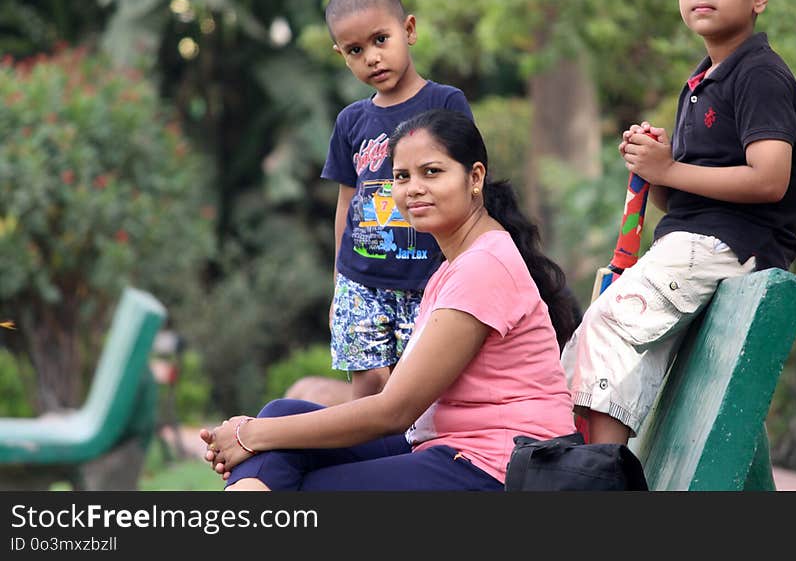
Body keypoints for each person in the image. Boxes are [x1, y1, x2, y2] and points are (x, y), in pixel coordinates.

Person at [200, 109, 578, 490]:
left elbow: (394, 410)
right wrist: (260, 432)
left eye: (432, 172)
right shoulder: (458, 262)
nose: (413, 188)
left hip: (498, 465)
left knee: (301, 474)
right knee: (284, 415)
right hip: (449, 446)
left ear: (474, 177)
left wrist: (252, 434)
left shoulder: (484, 266)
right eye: (401, 177)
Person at [560, 0, 796, 445]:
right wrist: (655, 167)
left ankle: (600, 473)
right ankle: (596, 464)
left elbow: (770, 179)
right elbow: (679, 198)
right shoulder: (701, 81)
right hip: (695, 240)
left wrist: (670, 170)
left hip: (733, 244)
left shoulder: (760, 75)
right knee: (588, 342)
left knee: (611, 324)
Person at [319, 0, 474, 400]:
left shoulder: (445, 103)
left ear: (408, 30)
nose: (372, 57)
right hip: (360, 281)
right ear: (342, 56)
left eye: (380, 39)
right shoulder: (351, 121)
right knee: (367, 388)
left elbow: (472, 188)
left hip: (427, 278)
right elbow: (346, 203)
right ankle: (364, 463)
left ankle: (408, 464)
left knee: (420, 394)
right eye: (355, 50)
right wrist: (338, 285)